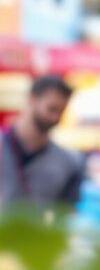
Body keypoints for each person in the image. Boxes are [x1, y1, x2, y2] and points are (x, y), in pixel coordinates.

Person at [1, 75, 85, 214]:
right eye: (51, 109)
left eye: (61, 112)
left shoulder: (69, 162)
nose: (55, 118)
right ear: (32, 99)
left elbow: (67, 214)